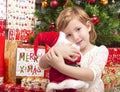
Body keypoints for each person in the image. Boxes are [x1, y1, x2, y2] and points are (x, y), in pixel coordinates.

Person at [39, 6, 109, 92]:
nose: (75, 37)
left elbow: (91, 75)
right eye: (68, 35)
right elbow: (42, 65)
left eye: (78, 29)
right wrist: (56, 51)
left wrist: (61, 67)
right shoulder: (66, 49)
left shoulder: (100, 51)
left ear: (88, 26)